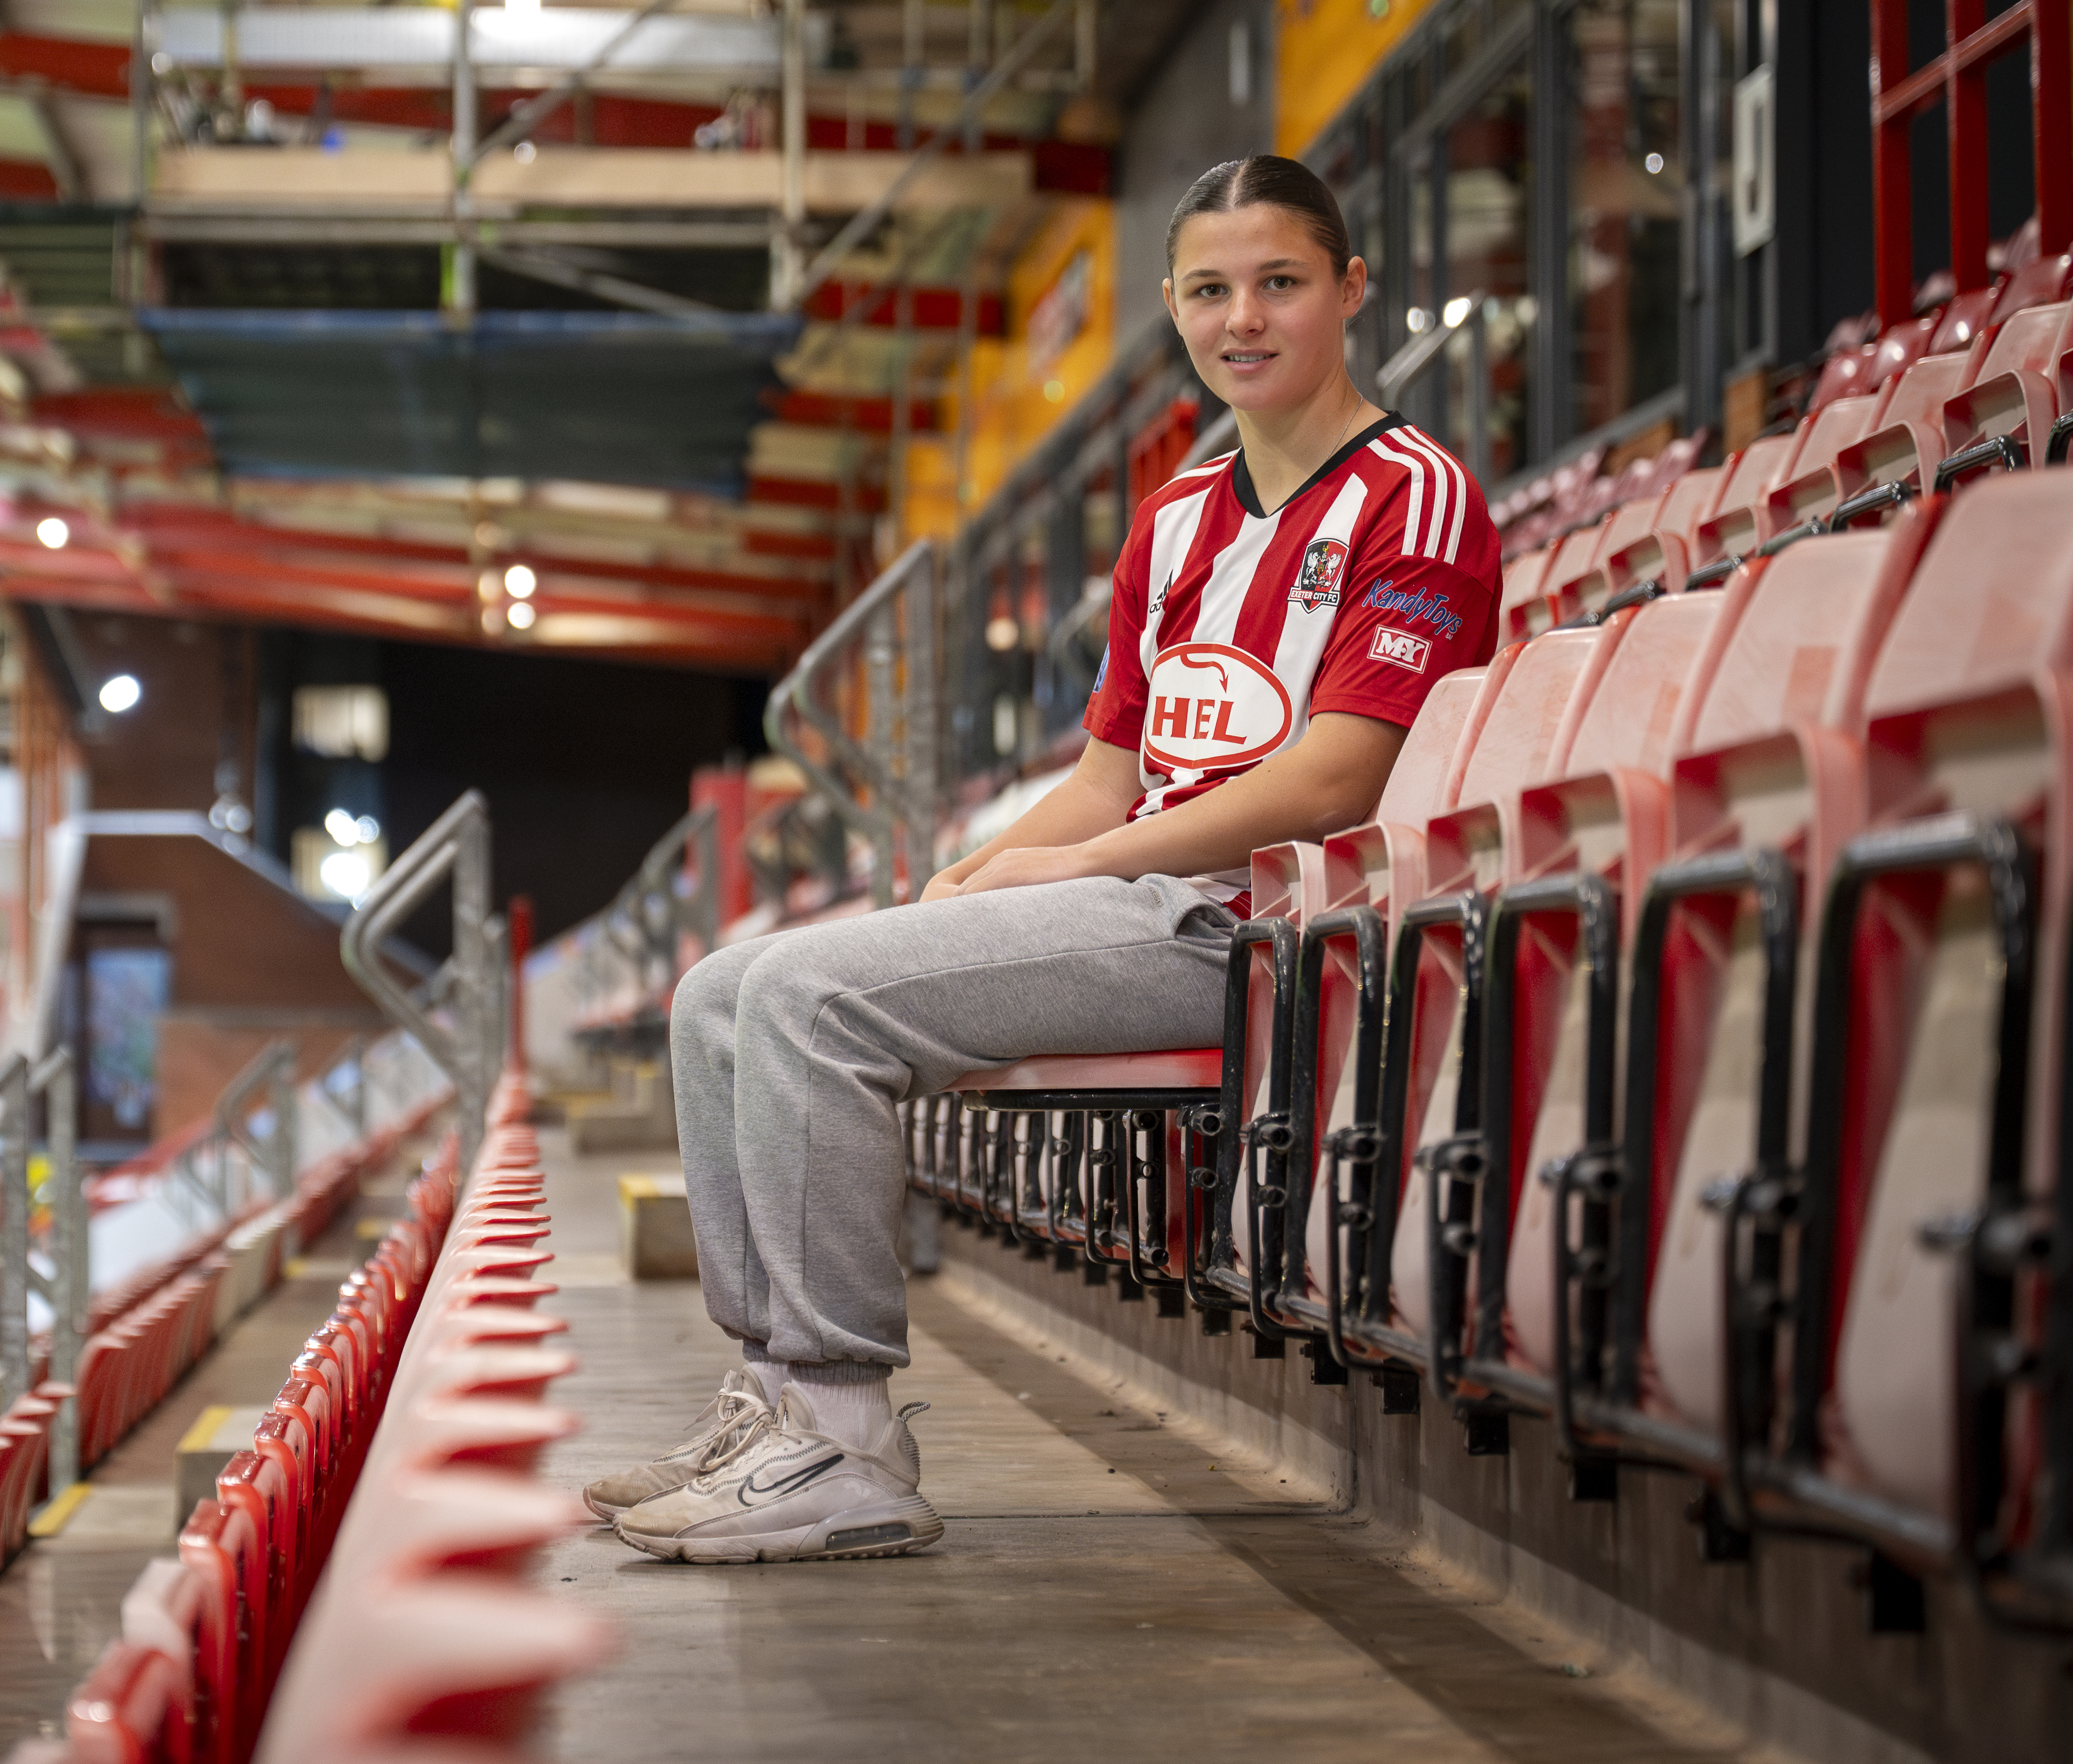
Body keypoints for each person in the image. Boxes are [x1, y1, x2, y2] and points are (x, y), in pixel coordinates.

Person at [588, 154, 1505, 1564]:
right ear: (1175, 305)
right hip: (1141, 899)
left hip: (1263, 929)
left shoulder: (1415, 494)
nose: (1243, 320)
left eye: (1281, 284)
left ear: (1351, 290)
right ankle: (778, 1397)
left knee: (808, 1003)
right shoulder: (1178, 521)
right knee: (723, 988)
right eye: (1211, 290)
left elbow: (1340, 775)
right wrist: (978, 873)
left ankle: (846, 1440)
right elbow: (1104, 777)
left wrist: (1080, 871)